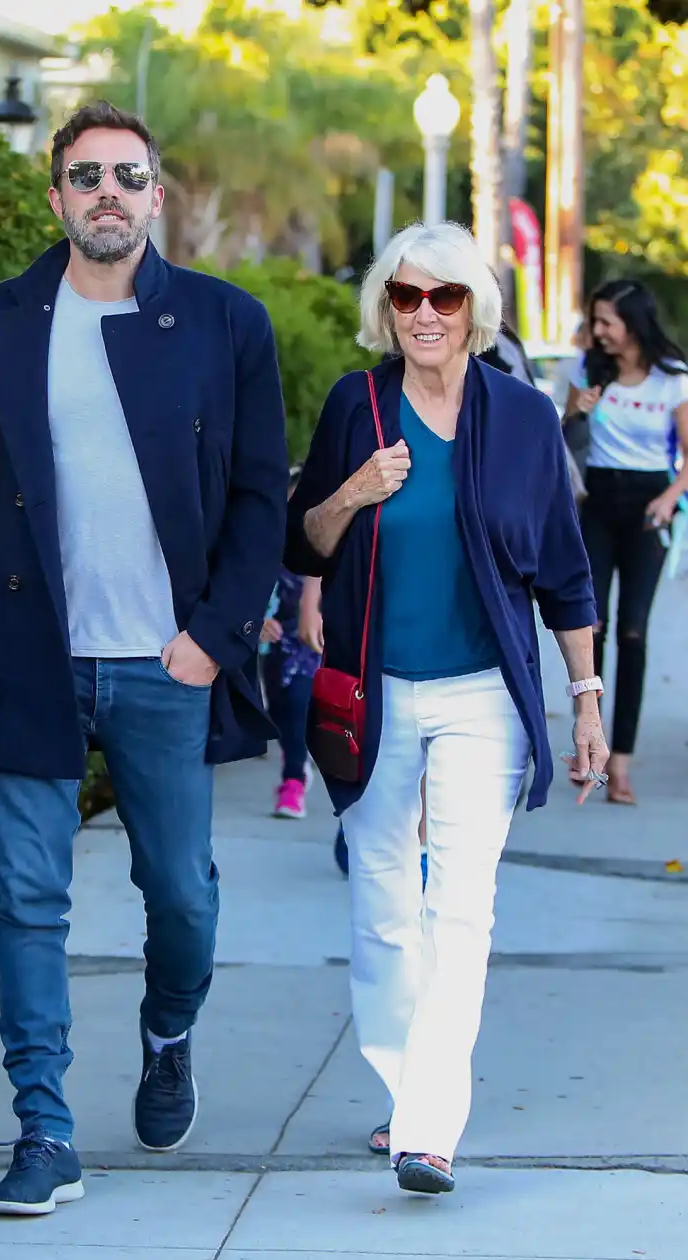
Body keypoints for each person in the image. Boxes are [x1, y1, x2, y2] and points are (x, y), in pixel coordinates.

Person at [0, 100, 288, 1215]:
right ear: (56, 196)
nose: (107, 192)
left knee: (183, 897)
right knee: (27, 898)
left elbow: (262, 495)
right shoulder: (0, 321)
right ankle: (43, 1132)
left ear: (157, 195)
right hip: (30, 652)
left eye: (127, 175)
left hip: (169, 665)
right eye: (85, 177)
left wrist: (215, 636)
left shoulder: (225, 322)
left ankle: (169, 1034)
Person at [286, 222, 608, 1197]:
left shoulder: (520, 416)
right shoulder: (358, 405)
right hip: (374, 693)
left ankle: (431, 1126)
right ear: (386, 307)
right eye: (407, 296)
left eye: (446, 297)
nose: (425, 314)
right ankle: (401, 1088)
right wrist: (351, 490)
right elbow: (307, 546)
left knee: (459, 907)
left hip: (483, 696)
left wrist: (586, 700)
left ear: (475, 307)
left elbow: (563, 566)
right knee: (383, 900)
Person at [564, 280, 688, 805]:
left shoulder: (671, 380)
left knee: (633, 632)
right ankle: (587, 746)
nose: (597, 331)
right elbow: (562, 444)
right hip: (596, 503)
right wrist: (579, 412)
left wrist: (670, 497)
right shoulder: (586, 370)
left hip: (647, 509)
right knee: (590, 628)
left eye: (606, 321)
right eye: (594, 321)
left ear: (633, 323)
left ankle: (622, 764)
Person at [259, 467, 323, 819]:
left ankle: (293, 781)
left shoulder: (329, 543)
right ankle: (294, 756)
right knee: (282, 712)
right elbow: (250, 590)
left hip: (313, 644)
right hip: (275, 644)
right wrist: (256, 620)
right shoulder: (268, 546)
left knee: (299, 704)